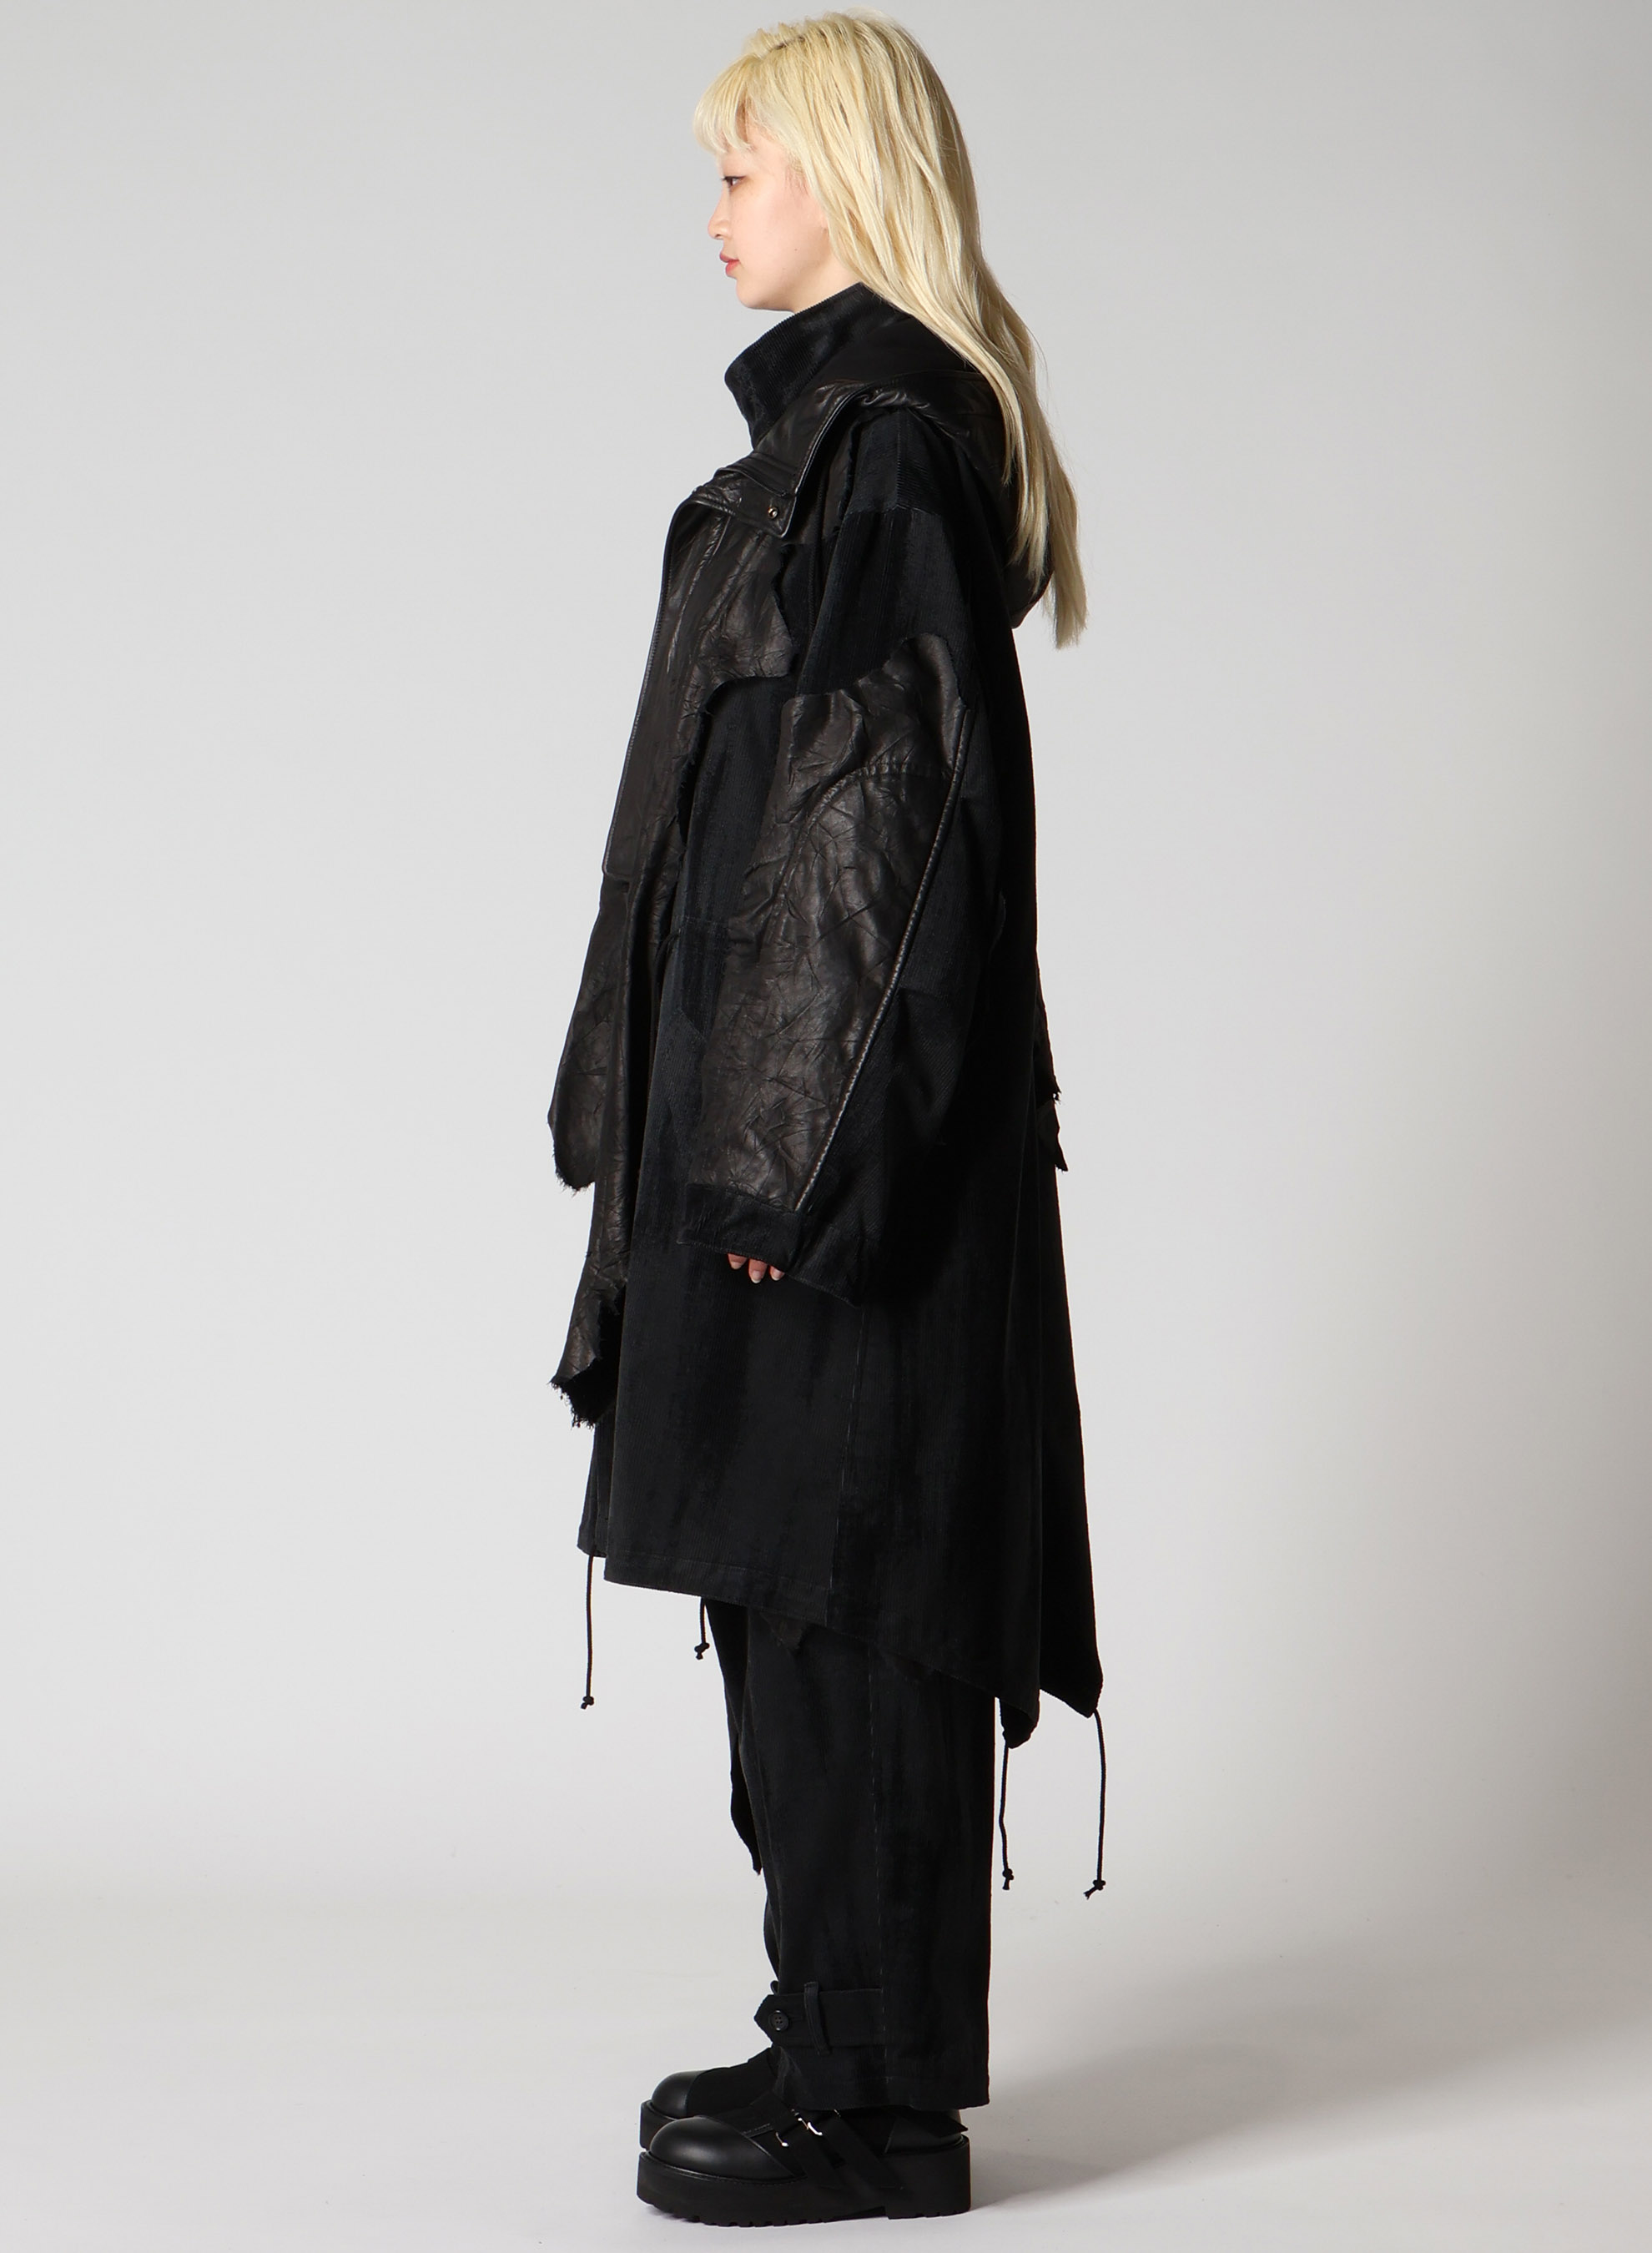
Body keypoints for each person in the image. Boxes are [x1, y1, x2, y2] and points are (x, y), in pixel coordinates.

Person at [549, 12, 1102, 2225]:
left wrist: (792, 1153)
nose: (714, 209)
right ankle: (827, 2027)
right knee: (790, 1594)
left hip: (826, 1157)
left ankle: (879, 2107)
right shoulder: (830, 448)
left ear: (846, 182)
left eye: (743, 166)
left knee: (857, 1601)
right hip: (783, 1141)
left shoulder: (878, 450)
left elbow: (886, 830)